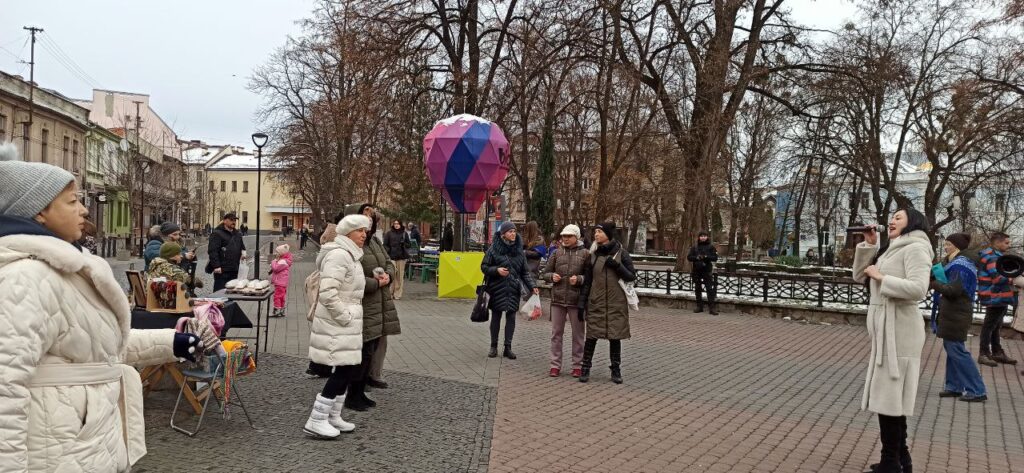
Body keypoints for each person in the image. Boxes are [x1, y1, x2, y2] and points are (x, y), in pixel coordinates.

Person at [0, 144, 199, 470]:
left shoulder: (60, 270)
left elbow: (95, 348)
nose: (83, 210)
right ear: (39, 211)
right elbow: (4, 388)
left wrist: (171, 343)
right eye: (72, 201)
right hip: (56, 451)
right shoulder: (25, 277)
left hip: (83, 445)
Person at [852, 208, 932, 473]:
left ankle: (891, 462)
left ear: (913, 222)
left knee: (890, 401)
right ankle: (901, 460)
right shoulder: (892, 248)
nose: (891, 221)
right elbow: (859, 275)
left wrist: (882, 277)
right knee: (891, 401)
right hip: (886, 332)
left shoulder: (916, 248)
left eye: (899, 218)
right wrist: (869, 245)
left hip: (900, 331)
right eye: (892, 217)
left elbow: (919, 289)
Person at [304, 214, 371, 439]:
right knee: (342, 370)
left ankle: (332, 416)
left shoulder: (351, 256)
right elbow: (328, 293)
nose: (364, 234)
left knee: (347, 368)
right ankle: (317, 418)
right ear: (347, 233)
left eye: (365, 230)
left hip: (346, 323)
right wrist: (345, 316)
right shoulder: (340, 255)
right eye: (359, 230)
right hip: (338, 324)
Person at [344, 204, 400, 408]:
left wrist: (388, 275)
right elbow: (351, 277)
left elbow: (388, 261)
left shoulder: (374, 240)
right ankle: (352, 393)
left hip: (379, 302)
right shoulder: (350, 246)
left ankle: (361, 390)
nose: (370, 216)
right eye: (365, 213)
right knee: (361, 350)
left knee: (371, 347)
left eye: (371, 213)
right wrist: (376, 283)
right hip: (362, 303)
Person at [930, 233, 987, 402]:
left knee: (957, 350)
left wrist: (933, 283)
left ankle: (977, 390)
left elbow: (953, 290)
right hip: (954, 312)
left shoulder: (961, 265)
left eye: (948, 244)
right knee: (953, 349)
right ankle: (954, 387)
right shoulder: (956, 263)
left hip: (957, 313)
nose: (945, 247)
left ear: (957, 246)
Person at [578, 221, 636, 384]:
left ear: (608, 235)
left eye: (599, 232)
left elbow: (631, 276)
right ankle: (585, 367)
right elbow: (588, 281)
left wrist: (617, 266)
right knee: (591, 336)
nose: (596, 235)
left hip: (616, 302)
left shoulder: (621, 254)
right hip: (596, 301)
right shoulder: (593, 254)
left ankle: (616, 369)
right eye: (595, 232)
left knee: (615, 336)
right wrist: (582, 303)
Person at [481, 221, 538, 359]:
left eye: (514, 231)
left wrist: (532, 286)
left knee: (511, 317)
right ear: (503, 234)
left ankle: (508, 347)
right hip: (496, 288)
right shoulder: (493, 249)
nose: (513, 234)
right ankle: (493, 346)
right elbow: (484, 266)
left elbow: (525, 272)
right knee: (496, 317)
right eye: (510, 231)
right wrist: (497, 270)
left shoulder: (519, 250)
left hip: (513, 288)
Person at [541, 224, 589, 378]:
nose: (565, 239)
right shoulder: (556, 253)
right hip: (558, 299)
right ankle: (555, 365)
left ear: (577, 237)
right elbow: (545, 273)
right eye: (563, 236)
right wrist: (551, 277)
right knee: (556, 334)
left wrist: (580, 279)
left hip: (576, 301)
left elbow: (590, 277)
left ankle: (577, 366)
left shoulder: (586, 254)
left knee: (578, 335)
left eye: (569, 236)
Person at [305, 211, 347, 380]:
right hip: (331, 288)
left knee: (325, 330)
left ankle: (318, 365)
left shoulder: (332, 232)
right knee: (328, 330)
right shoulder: (336, 235)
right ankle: (320, 366)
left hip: (329, 286)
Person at [977, 232, 1018, 367]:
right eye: (1006, 243)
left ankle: (996, 352)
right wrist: (1014, 278)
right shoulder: (993, 258)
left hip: (997, 296)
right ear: (997, 242)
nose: (1008, 245)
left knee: (995, 325)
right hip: (995, 296)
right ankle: (984, 353)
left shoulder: (993, 256)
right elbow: (999, 278)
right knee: (990, 325)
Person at [208, 212, 246, 291]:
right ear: (225, 221)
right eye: (231, 220)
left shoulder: (238, 234)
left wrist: (243, 253)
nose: (234, 222)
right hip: (222, 269)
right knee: (220, 292)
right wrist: (216, 266)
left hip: (235, 268)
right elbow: (213, 251)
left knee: (232, 292)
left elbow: (242, 247)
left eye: (235, 220)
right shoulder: (217, 234)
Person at [687, 231, 719, 315]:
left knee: (709, 289)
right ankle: (699, 306)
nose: (703, 237)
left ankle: (711, 308)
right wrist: (697, 258)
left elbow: (715, 258)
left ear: (707, 237)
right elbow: (689, 257)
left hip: (707, 270)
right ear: (699, 237)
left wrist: (706, 257)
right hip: (697, 270)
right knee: (697, 288)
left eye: (704, 236)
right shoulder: (695, 247)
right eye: (701, 236)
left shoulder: (711, 247)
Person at [383, 219, 410, 300]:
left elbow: (409, 245)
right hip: (391, 257)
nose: (396, 225)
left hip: (401, 257)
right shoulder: (389, 233)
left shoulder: (404, 233)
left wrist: (404, 244)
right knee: (392, 275)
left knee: (400, 277)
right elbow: (385, 244)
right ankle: (390, 292)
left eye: (398, 223)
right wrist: (389, 251)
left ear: (401, 224)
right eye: (395, 223)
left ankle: (397, 293)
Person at [270, 244, 293, 317]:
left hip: (280, 282)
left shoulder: (282, 261)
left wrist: (273, 261)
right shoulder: (284, 261)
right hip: (283, 282)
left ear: (281, 253)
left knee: (277, 296)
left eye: (277, 252)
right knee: (281, 296)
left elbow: (275, 268)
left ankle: (276, 310)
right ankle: (282, 310)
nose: (276, 254)